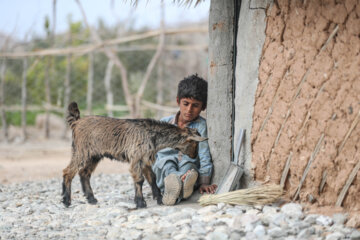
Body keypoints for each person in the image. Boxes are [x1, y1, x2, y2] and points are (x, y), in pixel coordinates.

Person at [152, 74, 218, 206]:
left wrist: (204, 182)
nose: (189, 110)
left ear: (203, 107)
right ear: (178, 101)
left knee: (189, 166)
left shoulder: (201, 126)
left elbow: (204, 155)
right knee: (165, 162)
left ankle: (177, 190)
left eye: (195, 106)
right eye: (186, 104)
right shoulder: (165, 123)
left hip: (187, 168)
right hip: (166, 168)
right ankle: (177, 187)